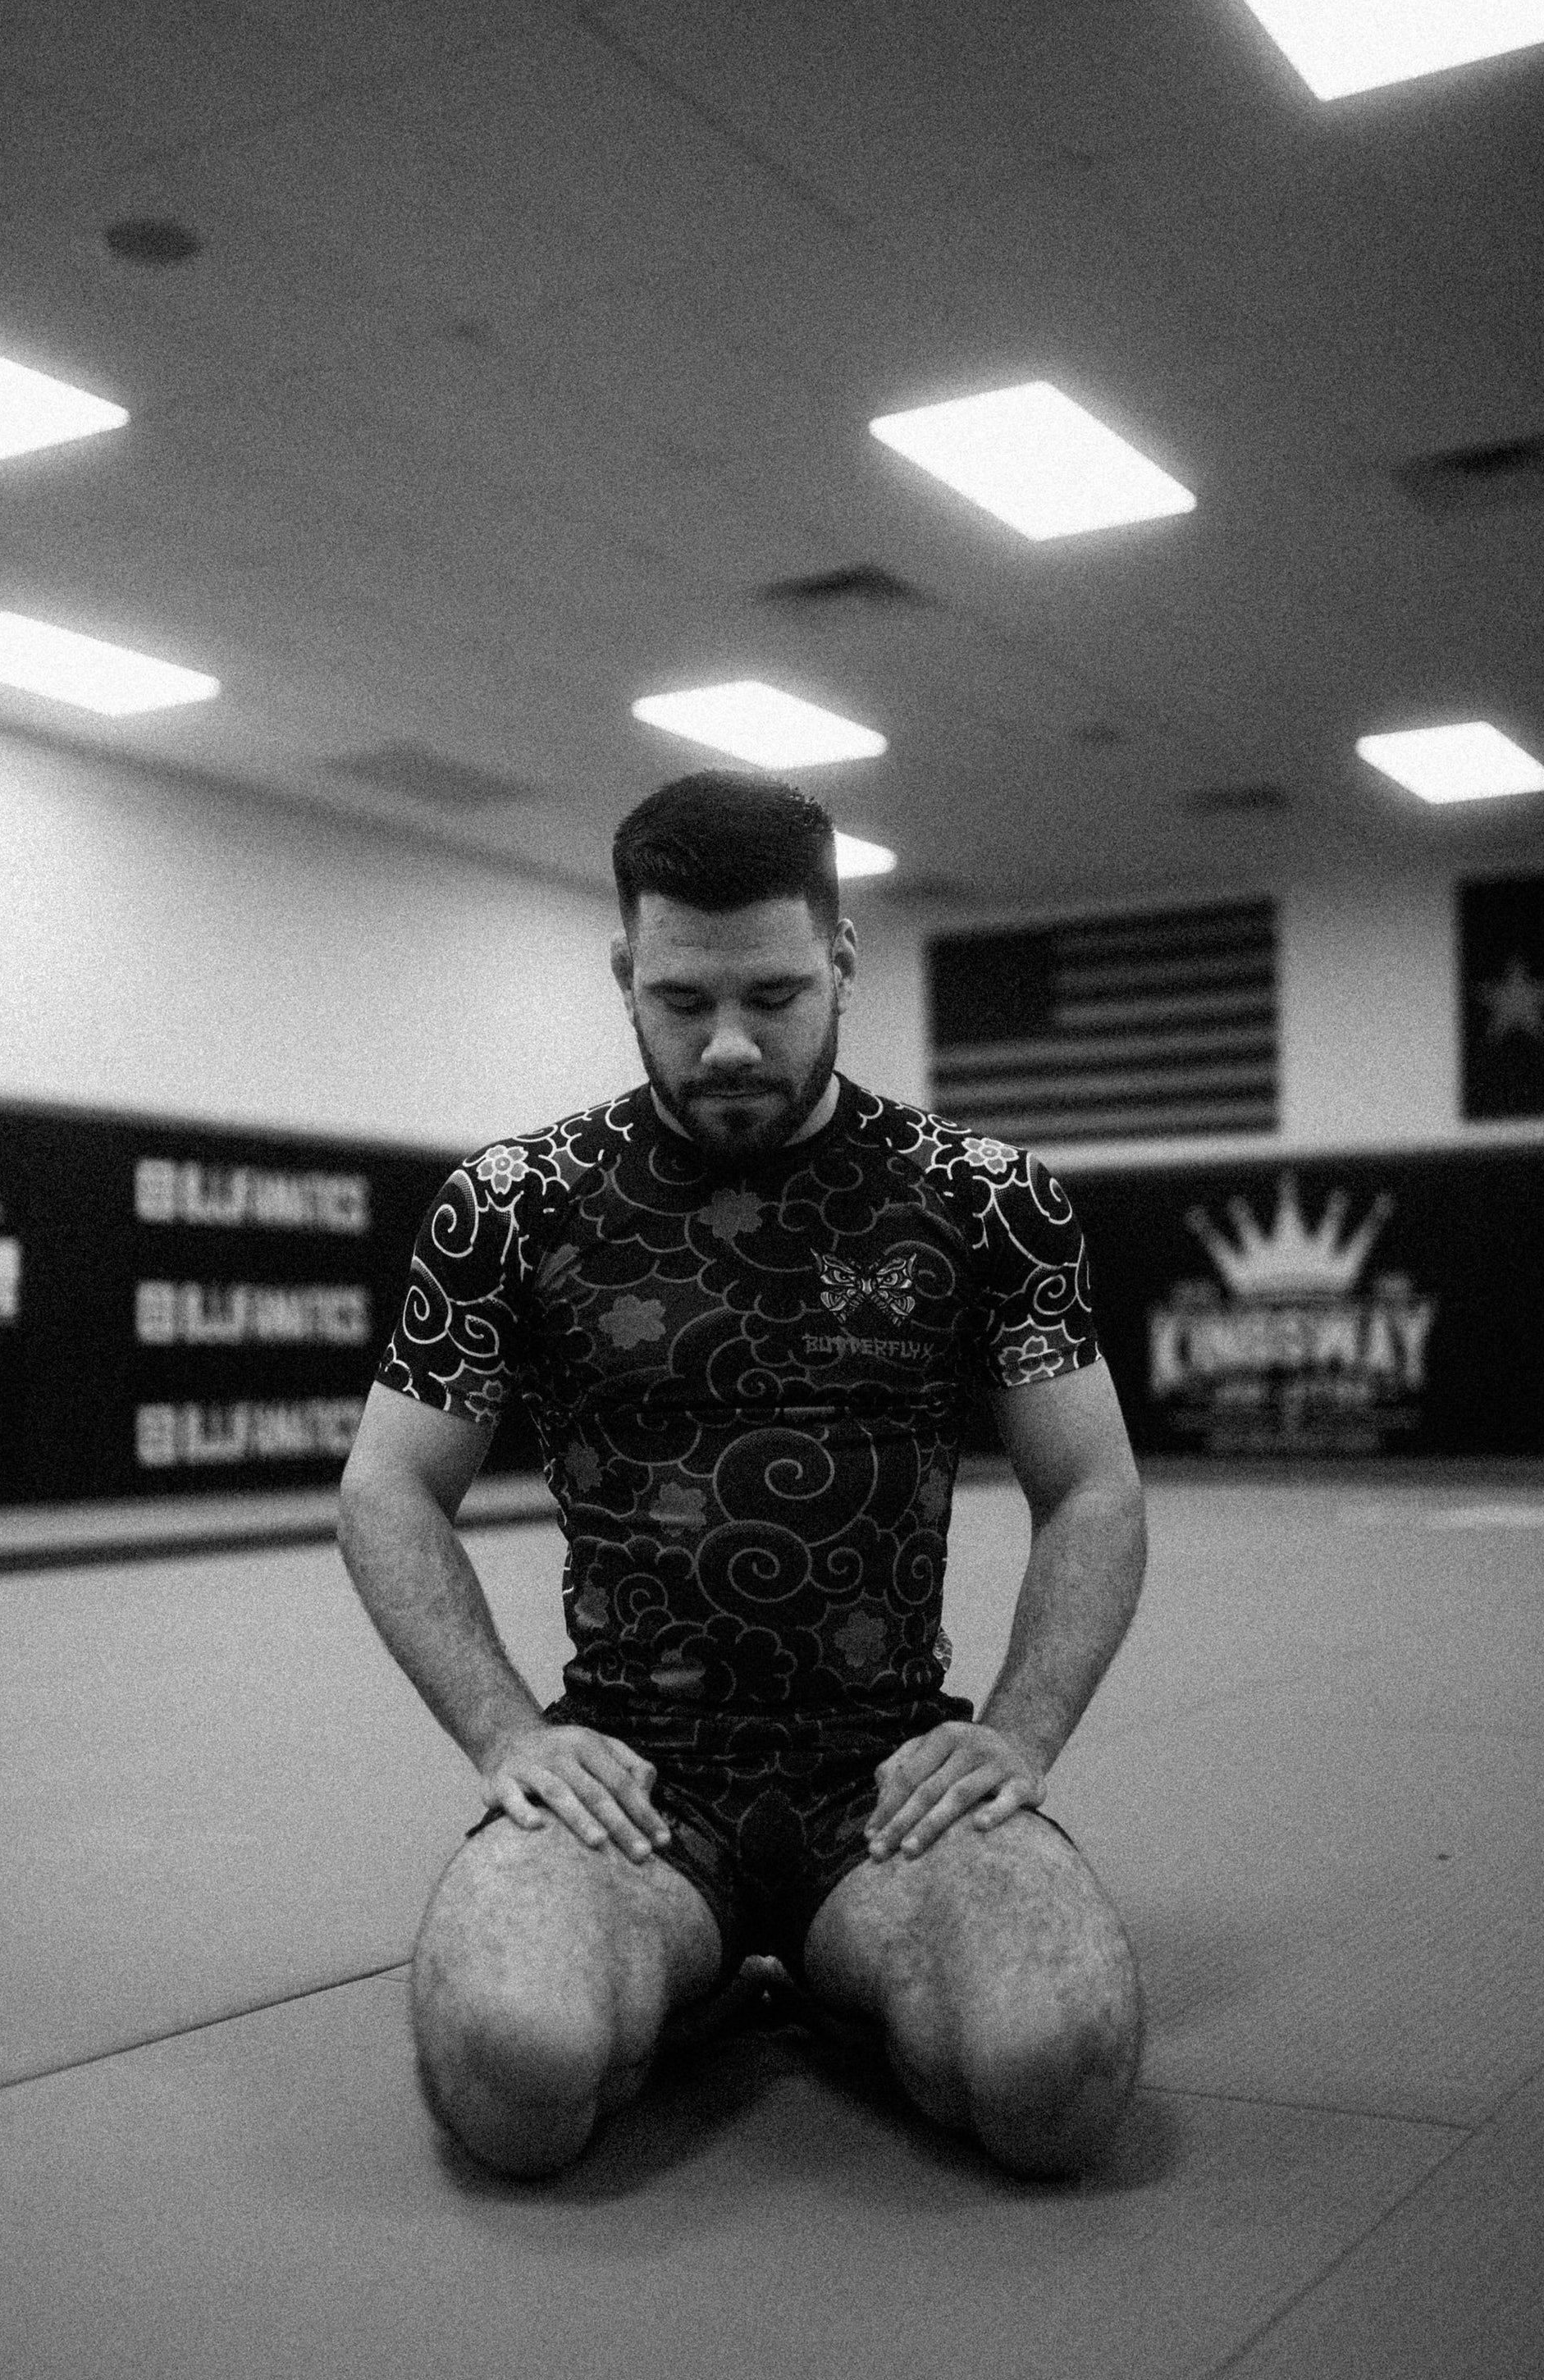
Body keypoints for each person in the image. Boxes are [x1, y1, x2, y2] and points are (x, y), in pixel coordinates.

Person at [337, 771, 1147, 2182]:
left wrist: (1018, 1735)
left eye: (773, 997)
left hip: (887, 1777)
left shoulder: (983, 1198)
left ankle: (830, 1977)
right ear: (623, 974)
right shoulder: (514, 1204)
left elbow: (1090, 1487)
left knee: (1054, 2083)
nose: (725, 1043)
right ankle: (704, 1978)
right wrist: (506, 1737)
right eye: (679, 1000)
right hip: (633, 1781)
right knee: (513, 2084)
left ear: (841, 960)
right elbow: (385, 1489)